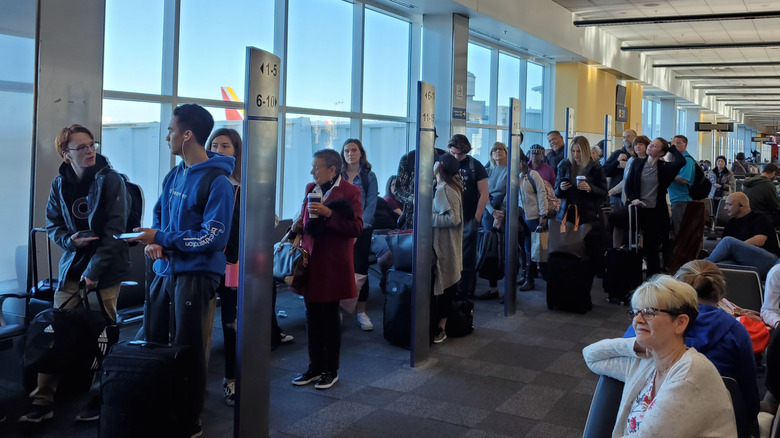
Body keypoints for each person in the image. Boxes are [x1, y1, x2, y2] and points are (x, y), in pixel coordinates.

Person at [130, 104, 235, 436]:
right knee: (155, 340)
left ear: (187, 135)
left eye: (171, 131)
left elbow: (212, 237)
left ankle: (189, 415)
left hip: (196, 274)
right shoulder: (174, 175)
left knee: (188, 347)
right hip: (165, 271)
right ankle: (160, 405)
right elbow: (160, 214)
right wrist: (154, 241)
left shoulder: (218, 181)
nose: (167, 137)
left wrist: (161, 237)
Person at [20, 124, 131, 424]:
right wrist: (69, 241)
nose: (89, 150)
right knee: (55, 331)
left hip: (105, 271)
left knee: (103, 335)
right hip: (72, 268)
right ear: (65, 153)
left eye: (91, 144)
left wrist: (94, 272)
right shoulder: (60, 184)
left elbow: (114, 233)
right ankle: (42, 400)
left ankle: (98, 395)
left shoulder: (111, 181)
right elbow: (53, 223)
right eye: (80, 147)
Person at [583, 275, 738, 437]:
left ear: (680, 323)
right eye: (636, 312)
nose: (637, 319)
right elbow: (592, 356)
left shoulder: (691, 373)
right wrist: (636, 344)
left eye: (649, 312)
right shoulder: (648, 363)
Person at [206, 128, 292, 407]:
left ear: (236, 151)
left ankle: (232, 379)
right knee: (200, 327)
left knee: (233, 323)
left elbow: (270, 220)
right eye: (214, 145)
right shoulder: (203, 180)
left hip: (236, 264)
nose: (219, 151)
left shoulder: (248, 184)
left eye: (226, 146)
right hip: (205, 263)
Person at [624, 260, 759, 427]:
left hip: (647, 415)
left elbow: (622, 359)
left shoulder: (648, 324)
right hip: (719, 422)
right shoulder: (737, 332)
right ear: (719, 292)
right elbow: (750, 400)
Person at [291, 149, 363, 390]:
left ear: (333, 169)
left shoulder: (351, 192)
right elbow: (304, 220)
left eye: (316, 167)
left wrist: (329, 213)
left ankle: (330, 370)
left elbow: (356, 228)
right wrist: (298, 226)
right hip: (310, 261)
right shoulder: (311, 188)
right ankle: (314, 367)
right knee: (311, 316)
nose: (312, 172)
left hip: (333, 263)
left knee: (330, 318)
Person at [610, 137, 685, 276]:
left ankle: (653, 279)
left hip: (655, 212)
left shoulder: (664, 167)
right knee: (632, 243)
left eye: (655, 146)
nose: (650, 147)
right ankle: (631, 276)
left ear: (661, 152)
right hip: (638, 209)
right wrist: (634, 199)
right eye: (650, 144)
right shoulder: (638, 163)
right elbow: (629, 186)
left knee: (652, 249)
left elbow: (681, 161)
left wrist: (671, 147)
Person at [554, 135, 607, 274]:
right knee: (568, 250)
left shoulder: (595, 167)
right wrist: (561, 188)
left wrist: (590, 188)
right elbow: (556, 192)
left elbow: (603, 192)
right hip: (568, 212)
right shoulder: (564, 165)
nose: (576, 155)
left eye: (579, 151)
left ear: (585, 151)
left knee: (588, 251)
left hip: (588, 214)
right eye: (573, 151)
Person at [341, 139, 378, 331]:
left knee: (361, 270)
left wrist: (359, 228)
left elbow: (371, 205)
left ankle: (361, 311)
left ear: (360, 153)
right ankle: (338, 309)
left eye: (354, 150)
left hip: (362, 230)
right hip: (340, 229)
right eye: (346, 150)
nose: (350, 154)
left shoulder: (368, 176)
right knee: (339, 269)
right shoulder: (337, 175)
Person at [447, 134, 488, 298]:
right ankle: (450, 292)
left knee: (466, 259)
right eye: (454, 153)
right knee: (448, 257)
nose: (457, 157)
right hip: (448, 219)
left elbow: (484, 194)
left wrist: (476, 219)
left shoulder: (474, 165)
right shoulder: (444, 162)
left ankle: (464, 293)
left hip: (468, 218)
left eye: (460, 154)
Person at [705, 192, 780, 278]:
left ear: (741, 204)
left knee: (728, 241)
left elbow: (759, 241)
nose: (725, 208)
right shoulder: (731, 223)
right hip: (743, 261)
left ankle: (701, 265)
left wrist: (735, 248)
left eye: (729, 205)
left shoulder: (759, 218)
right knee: (717, 267)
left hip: (769, 261)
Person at [431, 154, 463, 343]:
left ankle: (441, 327)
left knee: (445, 285)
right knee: (447, 285)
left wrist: (429, 217)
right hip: (447, 244)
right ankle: (441, 325)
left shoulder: (445, 189)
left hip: (444, 244)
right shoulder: (451, 186)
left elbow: (454, 219)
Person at [475, 142, 508, 300]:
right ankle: (493, 288)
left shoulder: (510, 171)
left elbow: (510, 193)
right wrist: (492, 212)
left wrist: (500, 213)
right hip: (489, 212)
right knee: (491, 250)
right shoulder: (487, 170)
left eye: (501, 149)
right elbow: (483, 194)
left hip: (504, 211)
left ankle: (509, 290)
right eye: (494, 149)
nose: (498, 152)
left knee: (506, 250)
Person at [395, 128, 445, 230]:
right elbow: (398, 189)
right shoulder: (409, 158)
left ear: (435, 138)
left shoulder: (443, 157)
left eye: (430, 137)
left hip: (440, 215)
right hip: (412, 217)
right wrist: (415, 199)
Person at [517, 159, 549, 292]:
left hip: (533, 215)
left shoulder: (532, 174)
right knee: (523, 247)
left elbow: (542, 193)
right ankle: (525, 275)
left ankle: (531, 278)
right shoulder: (512, 176)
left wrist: (543, 214)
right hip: (519, 215)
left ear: (520, 161)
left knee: (531, 247)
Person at [667, 135, 695, 241]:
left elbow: (685, 179)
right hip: (676, 199)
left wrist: (667, 174)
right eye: (673, 143)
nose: (675, 146)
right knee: (674, 229)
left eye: (679, 143)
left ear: (685, 144)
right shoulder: (675, 159)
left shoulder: (686, 160)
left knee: (679, 231)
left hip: (682, 199)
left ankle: (680, 255)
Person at [741, 162, 780, 227]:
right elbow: (775, 206)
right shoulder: (769, 185)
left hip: (746, 216)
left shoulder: (749, 182)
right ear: (773, 173)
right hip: (761, 217)